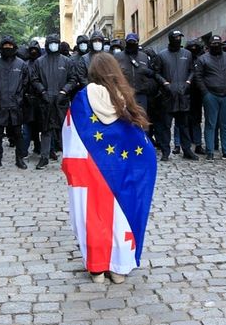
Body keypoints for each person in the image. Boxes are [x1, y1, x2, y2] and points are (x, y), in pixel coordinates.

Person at [61, 52, 156, 284]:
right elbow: (137, 140)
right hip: (121, 171)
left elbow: (70, 133)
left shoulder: (82, 99)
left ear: (92, 72)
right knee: (121, 217)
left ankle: (96, 269)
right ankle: (119, 268)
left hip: (90, 172)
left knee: (92, 216)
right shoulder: (124, 99)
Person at [30, 34, 76, 169]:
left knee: (65, 130)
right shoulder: (39, 62)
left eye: (56, 42)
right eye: (51, 43)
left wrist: (64, 91)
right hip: (45, 100)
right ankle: (44, 157)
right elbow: (34, 79)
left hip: (61, 100)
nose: (54, 45)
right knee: (46, 130)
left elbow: (72, 79)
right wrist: (42, 91)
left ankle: (68, 158)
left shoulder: (67, 61)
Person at [194, 35, 226, 161]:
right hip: (211, 95)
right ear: (209, 45)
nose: (216, 46)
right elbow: (198, 77)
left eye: (218, 44)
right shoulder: (203, 59)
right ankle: (210, 151)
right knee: (210, 123)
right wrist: (205, 92)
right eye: (213, 44)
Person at [0, 36, 30, 170]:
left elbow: (26, 83)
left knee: (18, 134)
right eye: (5, 47)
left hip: (16, 105)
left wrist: (19, 98)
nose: (8, 49)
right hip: (0, 105)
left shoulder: (21, 64)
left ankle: (19, 159)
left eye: (10, 46)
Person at [157, 31, 198, 161]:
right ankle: (165, 151)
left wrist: (188, 82)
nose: (178, 39)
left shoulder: (187, 54)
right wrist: (165, 83)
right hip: (168, 95)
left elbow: (192, 70)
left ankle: (186, 150)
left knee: (184, 125)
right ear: (170, 39)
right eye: (176, 37)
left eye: (180, 37)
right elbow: (156, 73)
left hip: (183, 94)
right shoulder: (162, 55)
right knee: (166, 126)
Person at [114, 33, 158, 114]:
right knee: (126, 121)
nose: (131, 44)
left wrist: (148, 83)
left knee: (141, 120)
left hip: (141, 95)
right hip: (124, 95)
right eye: (129, 42)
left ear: (137, 42)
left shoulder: (144, 56)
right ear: (126, 42)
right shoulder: (118, 57)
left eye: (133, 42)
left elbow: (152, 74)